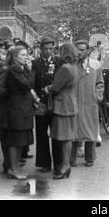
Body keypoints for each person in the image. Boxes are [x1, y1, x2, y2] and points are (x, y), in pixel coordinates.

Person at [0, 45, 37, 180]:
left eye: (27, 54)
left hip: (22, 109)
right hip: (16, 109)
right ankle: (13, 168)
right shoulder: (14, 69)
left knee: (20, 140)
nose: (27, 57)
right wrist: (31, 71)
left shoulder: (21, 68)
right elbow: (28, 85)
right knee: (15, 140)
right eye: (23, 55)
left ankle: (16, 167)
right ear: (15, 57)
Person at [47, 43, 79, 179]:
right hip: (70, 103)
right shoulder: (74, 67)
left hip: (63, 106)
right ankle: (66, 165)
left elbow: (56, 88)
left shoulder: (65, 68)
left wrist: (48, 88)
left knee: (65, 137)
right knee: (67, 137)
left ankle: (65, 166)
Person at [70, 39, 104, 167]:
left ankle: (90, 158)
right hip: (74, 101)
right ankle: (71, 158)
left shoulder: (96, 65)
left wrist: (97, 96)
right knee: (73, 130)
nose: (80, 52)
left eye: (82, 49)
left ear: (88, 51)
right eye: (77, 49)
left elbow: (100, 82)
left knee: (90, 130)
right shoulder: (71, 65)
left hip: (90, 102)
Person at [32, 37, 62, 173]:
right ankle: (44, 163)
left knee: (56, 134)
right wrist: (36, 100)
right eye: (45, 49)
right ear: (40, 49)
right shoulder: (35, 63)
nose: (48, 51)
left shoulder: (59, 62)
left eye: (50, 49)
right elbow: (33, 83)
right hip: (41, 103)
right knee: (41, 133)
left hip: (55, 102)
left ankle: (58, 162)